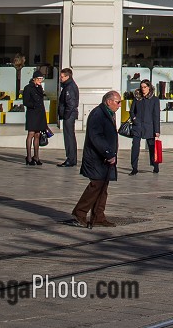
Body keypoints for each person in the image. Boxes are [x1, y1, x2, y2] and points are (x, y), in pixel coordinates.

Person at [72, 91, 121, 228]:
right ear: (109, 101)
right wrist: (108, 153)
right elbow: (96, 136)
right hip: (96, 157)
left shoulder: (109, 113)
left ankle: (98, 216)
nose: (119, 105)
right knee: (95, 186)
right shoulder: (98, 114)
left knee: (103, 187)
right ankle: (79, 213)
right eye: (118, 102)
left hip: (105, 157)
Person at [129, 78, 161, 174]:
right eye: (142, 87)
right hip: (138, 127)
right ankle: (134, 168)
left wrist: (157, 130)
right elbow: (131, 111)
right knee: (135, 147)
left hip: (149, 127)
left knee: (152, 147)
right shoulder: (137, 98)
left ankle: (155, 166)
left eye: (145, 87)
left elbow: (156, 116)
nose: (143, 89)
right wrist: (134, 119)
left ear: (149, 87)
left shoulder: (154, 99)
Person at [22, 70, 48, 166]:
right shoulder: (28, 88)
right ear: (34, 79)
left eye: (42, 79)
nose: (40, 81)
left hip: (40, 114)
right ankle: (29, 157)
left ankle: (36, 156)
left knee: (37, 134)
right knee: (31, 134)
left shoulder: (39, 88)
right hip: (32, 113)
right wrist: (34, 105)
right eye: (39, 79)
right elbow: (25, 102)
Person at [57, 67, 80, 168]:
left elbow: (70, 104)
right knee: (70, 136)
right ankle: (71, 158)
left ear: (67, 76)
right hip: (70, 115)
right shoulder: (68, 86)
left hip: (69, 115)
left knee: (69, 137)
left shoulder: (69, 87)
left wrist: (65, 115)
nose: (60, 78)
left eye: (62, 77)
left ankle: (70, 159)